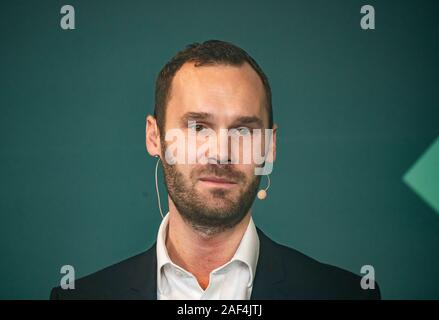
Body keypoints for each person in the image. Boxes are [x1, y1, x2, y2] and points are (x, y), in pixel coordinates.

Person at [50, 40, 380, 300]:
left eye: (244, 130)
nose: (221, 153)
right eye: (197, 127)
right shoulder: (81, 297)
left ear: (269, 146)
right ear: (155, 137)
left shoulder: (345, 294)